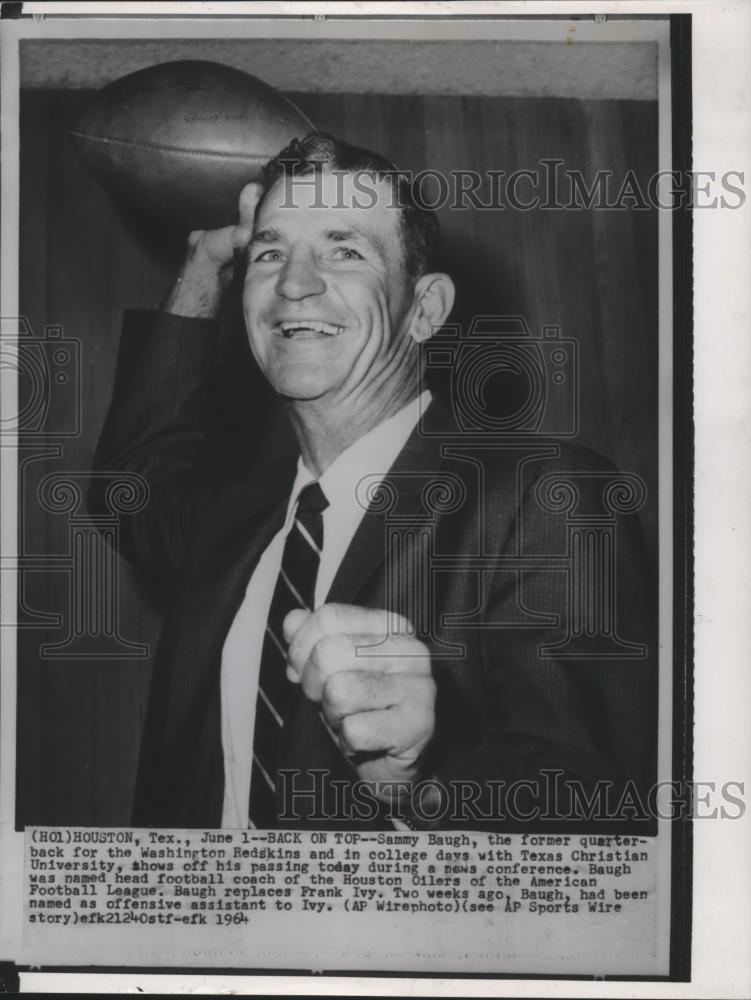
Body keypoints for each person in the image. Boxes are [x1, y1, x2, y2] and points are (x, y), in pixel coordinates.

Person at [91, 133, 657, 831]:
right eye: (269, 251)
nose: (293, 282)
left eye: (344, 249)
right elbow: (131, 485)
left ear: (424, 310)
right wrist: (205, 263)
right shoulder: (236, 519)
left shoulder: (548, 494)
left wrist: (418, 779)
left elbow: (596, 800)